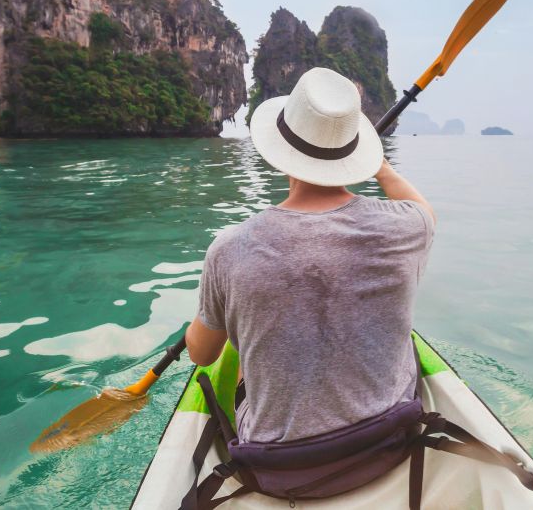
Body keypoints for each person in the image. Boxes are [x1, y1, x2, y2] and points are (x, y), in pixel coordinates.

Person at [185, 66, 435, 444]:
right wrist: (380, 168)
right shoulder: (408, 227)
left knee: (237, 353)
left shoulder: (229, 249)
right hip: (389, 442)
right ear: (355, 154)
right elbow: (426, 213)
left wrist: (212, 308)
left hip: (282, 464)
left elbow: (202, 354)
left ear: (279, 152)